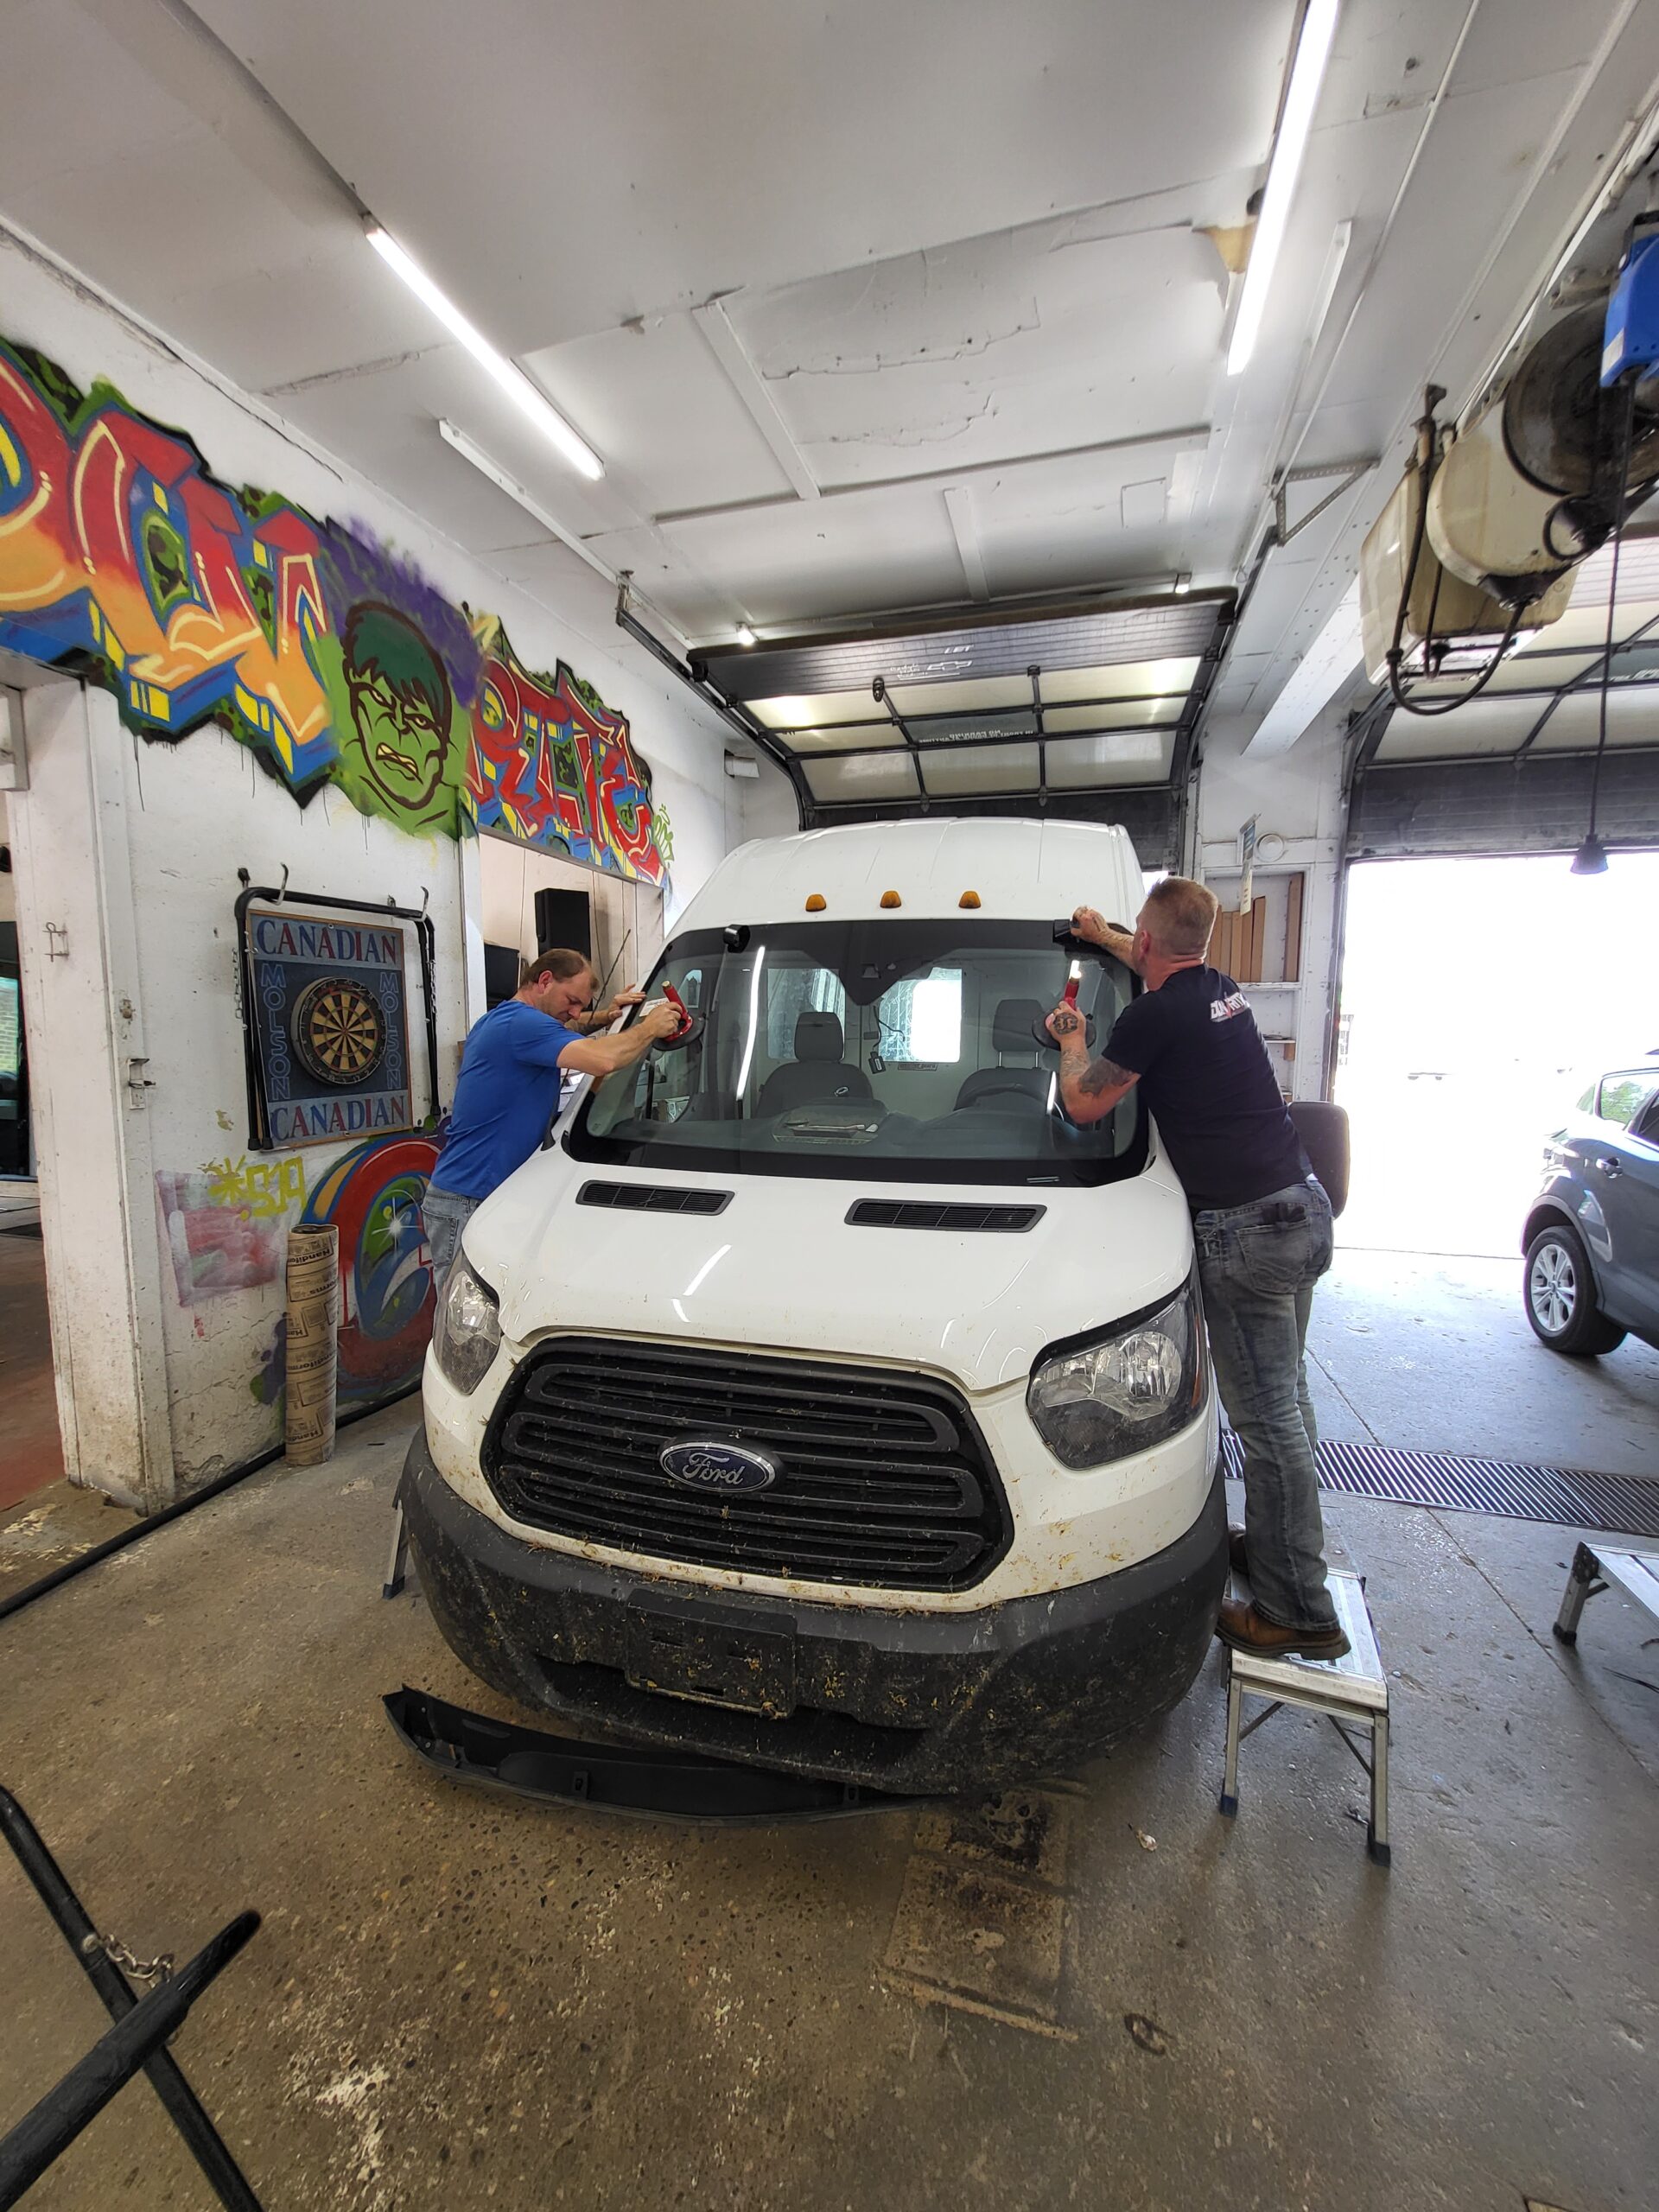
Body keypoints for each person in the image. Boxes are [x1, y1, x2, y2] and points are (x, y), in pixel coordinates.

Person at [1046, 877, 1347, 1661]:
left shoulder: (1152, 1016)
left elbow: (1084, 1104)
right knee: (1290, 1405)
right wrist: (1100, 936)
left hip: (1247, 1234)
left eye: (1132, 937)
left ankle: (1297, 1610)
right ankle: (1280, 1551)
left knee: (1267, 1424)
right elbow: (1151, 956)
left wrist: (1072, 1039)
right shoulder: (1219, 990)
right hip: (1302, 1207)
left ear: (1149, 941)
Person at [423, 948, 681, 1278]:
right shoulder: (521, 1024)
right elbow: (604, 1060)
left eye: (581, 1006)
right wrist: (649, 1028)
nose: (574, 1012)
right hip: (468, 1199)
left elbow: (566, 1028)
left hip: (481, 1194)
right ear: (544, 980)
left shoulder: (506, 1019)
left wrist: (607, 1017)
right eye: (571, 1001)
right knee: (463, 1306)